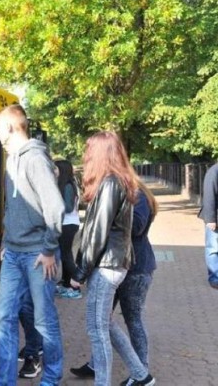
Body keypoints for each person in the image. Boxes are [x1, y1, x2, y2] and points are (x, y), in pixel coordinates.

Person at [0, 104, 65, 386]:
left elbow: (55, 209)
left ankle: (52, 378)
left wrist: (47, 250)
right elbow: (12, 208)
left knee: (44, 320)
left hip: (37, 255)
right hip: (14, 253)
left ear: (10, 126)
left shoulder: (35, 159)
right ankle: (3, 381)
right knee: (4, 318)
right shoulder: (11, 160)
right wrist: (8, 240)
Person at [70, 131, 155, 386]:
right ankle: (142, 375)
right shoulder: (118, 182)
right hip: (114, 263)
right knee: (104, 323)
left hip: (107, 265)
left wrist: (79, 272)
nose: (85, 155)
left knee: (97, 330)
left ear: (100, 154)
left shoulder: (110, 183)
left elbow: (97, 233)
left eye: (89, 150)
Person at [55, 159, 82, 299]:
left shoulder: (67, 186)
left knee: (66, 255)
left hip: (68, 224)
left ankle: (76, 284)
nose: (54, 171)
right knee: (66, 255)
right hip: (68, 224)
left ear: (62, 170)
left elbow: (68, 207)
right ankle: (66, 284)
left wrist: (53, 205)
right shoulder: (68, 184)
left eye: (56, 169)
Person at [199, 162, 218, 289]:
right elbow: (209, 194)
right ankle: (215, 277)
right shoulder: (214, 171)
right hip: (215, 217)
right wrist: (211, 218)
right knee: (213, 248)